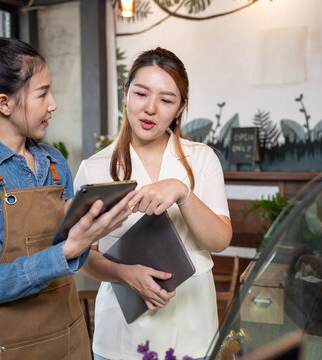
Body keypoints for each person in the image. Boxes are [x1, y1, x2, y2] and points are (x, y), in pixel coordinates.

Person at [0, 30, 135, 359]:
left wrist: (92, 231)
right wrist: (67, 250)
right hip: (6, 349)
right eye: (43, 94)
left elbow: (73, 254)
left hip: (69, 339)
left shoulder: (53, 162)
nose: (53, 103)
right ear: (4, 103)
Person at [75, 47, 233, 360]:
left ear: (180, 108)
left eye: (166, 99)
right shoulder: (94, 168)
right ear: (125, 94)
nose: (150, 109)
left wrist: (182, 192)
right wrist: (125, 274)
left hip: (194, 328)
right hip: (121, 336)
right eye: (141, 93)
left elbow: (220, 241)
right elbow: (82, 257)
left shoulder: (202, 159)